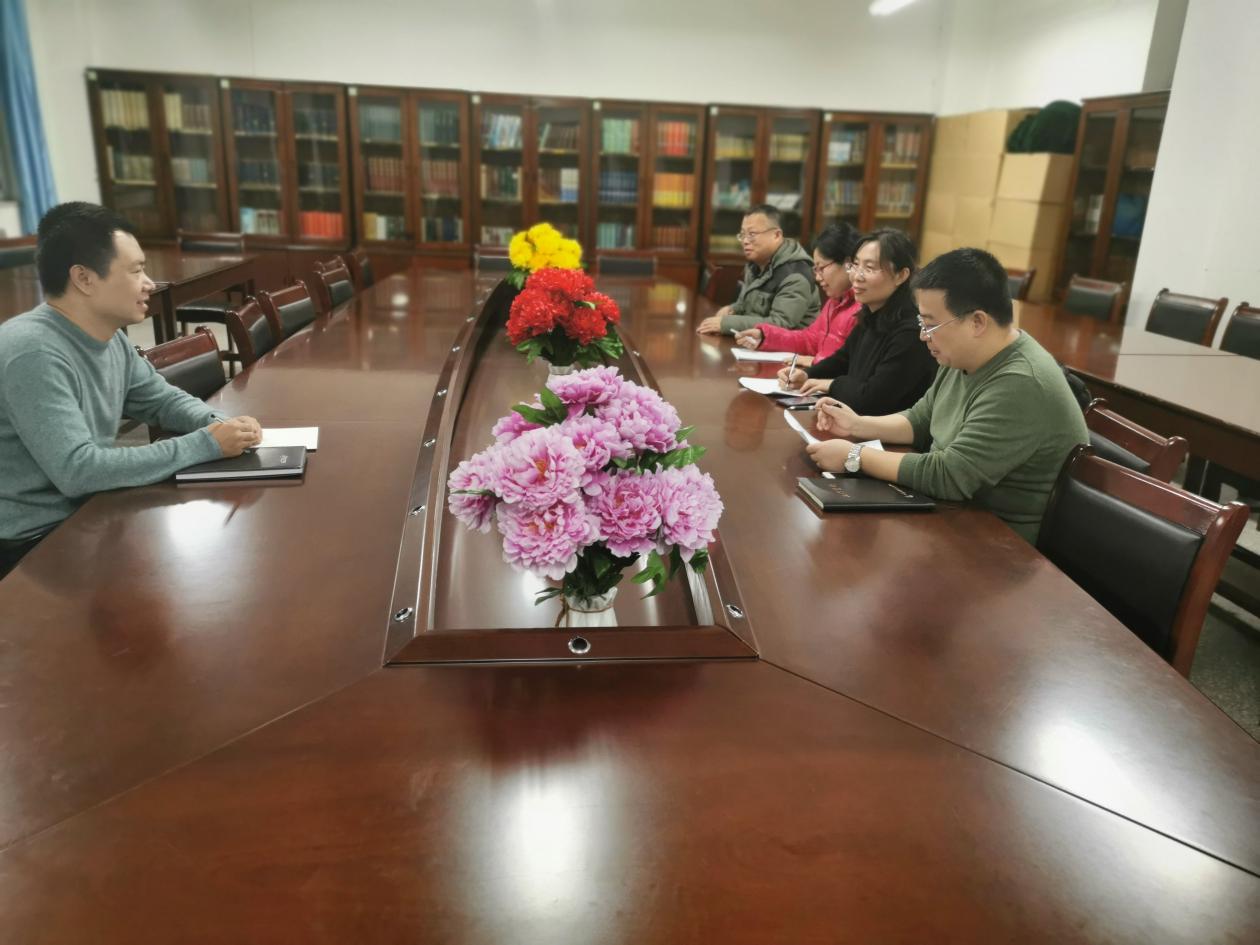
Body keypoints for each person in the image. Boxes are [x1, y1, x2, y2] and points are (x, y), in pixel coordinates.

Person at [0, 202, 262, 578]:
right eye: (136, 270)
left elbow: (160, 399)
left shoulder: (109, 336)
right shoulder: (31, 352)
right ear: (84, 278)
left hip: (91, 511)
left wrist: (217, 422)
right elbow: (79, 470)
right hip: (35, 543)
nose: (150, 283)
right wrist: (207, 443)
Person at [806, 247, 1089, 544]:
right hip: (955, 514)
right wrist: (858, 425)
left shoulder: (1022, 382)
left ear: (977, 322)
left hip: (998, 541)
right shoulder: (964, 354)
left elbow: (950, 475)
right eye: (921, 323)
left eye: (930, 325)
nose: (923, 336)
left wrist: (854, 456)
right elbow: (922, 418)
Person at [777, 228, 936, 415]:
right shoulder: (872, 314)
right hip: (855, 421)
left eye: (869, 268)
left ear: (901, 275)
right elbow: (843, 359)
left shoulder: (911, 332)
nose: (856, 276)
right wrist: (807, 374)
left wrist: (831, 384)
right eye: (855, 265)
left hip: (883, 429)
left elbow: (872, 399)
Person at [732, 222, 862, 366]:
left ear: (847, 264)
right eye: (815, 269)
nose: (817, 277)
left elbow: (852, 366)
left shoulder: (862, 310)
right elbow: (809, 340)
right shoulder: (835, 302)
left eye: (821, 268)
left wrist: (815, 362)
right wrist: (765, 336)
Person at [696, 204, 819, 335]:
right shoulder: (756, 264)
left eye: (752, 234)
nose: (745, 241)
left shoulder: (795, 275)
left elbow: (780, 324)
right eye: (742, 234)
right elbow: (746, 304)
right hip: (755, 341)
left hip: (788, 346)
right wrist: (732, 309)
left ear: (776, 235)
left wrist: (726, 324)